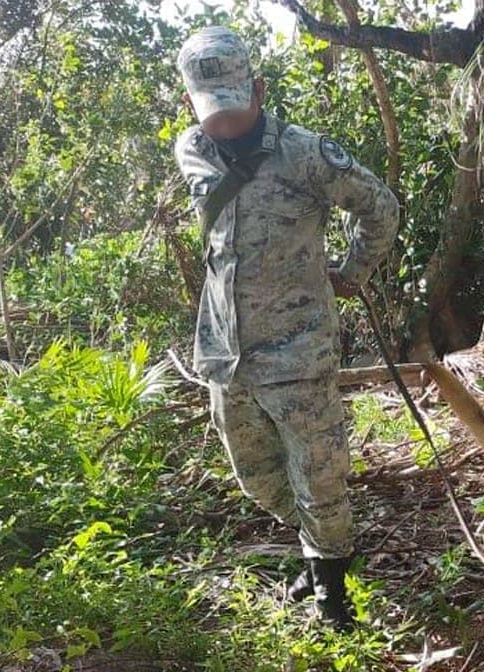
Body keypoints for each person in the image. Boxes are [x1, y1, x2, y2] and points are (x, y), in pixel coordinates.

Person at [174, 26, 400, 630]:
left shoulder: (305, 153)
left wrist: (352, 273)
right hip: (225, 351)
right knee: (255, 474)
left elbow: (379, 206)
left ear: (259, 90)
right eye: (212, 111)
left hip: (297, 347)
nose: (225, 123)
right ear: (191, 103)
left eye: (235, 106)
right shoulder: (191, 148)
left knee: (320, 476)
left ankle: (332, 589)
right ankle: (318, 548)